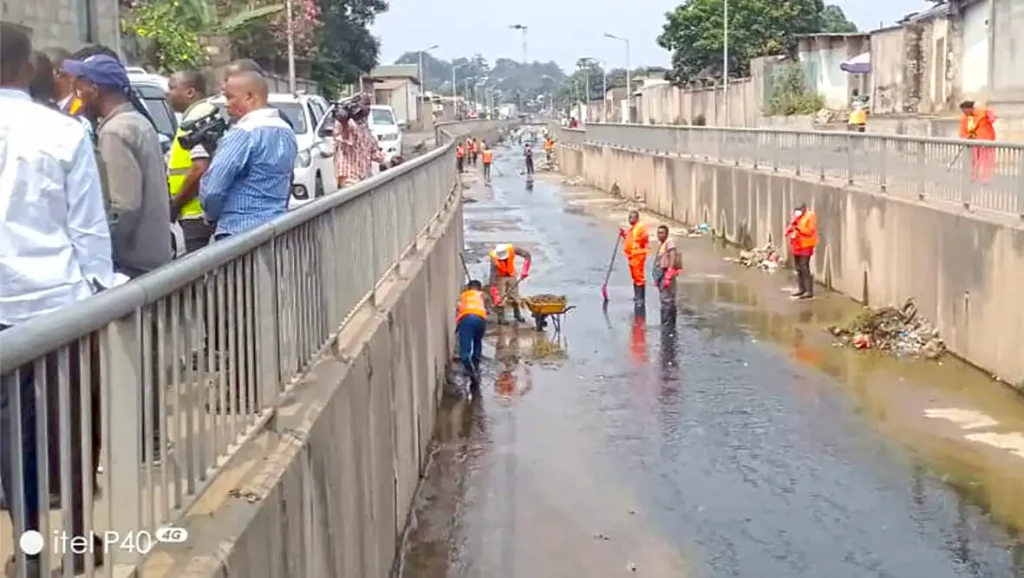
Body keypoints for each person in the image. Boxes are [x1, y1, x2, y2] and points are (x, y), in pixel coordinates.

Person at [1, 22, 114, 576]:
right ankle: (73, 542)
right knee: (72, 435)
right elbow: (89, 232)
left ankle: (27, 552)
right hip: (60, 306)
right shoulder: (64, 133)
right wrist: (97, 299)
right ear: (28, 70)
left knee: (9, 444)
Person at [67, 54, 172, 278]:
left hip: (133, 263)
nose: (78, 96)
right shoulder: (138, 122)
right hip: (154, 255)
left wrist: (102, 252)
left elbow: (124, 206)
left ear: (95, 90)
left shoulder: (115, 131)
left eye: (80, 89)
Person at [200, 70, 297, 239]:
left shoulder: (243, 133)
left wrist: (211, 215)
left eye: (230, 97)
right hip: (277, 228)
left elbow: (213, 189)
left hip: (238, 231)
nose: (226, 104)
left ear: (250, 97)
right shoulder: (286, 130)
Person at [167, 69, 216, 252]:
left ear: (190, 92)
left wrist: (176, 204)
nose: (167, 93)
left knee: (197, 273)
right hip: (196, 211)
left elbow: (199, 168)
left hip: (195, 212)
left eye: (172, 88)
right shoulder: (200, 113)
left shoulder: (197, 118)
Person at [333, 93, 382, 187]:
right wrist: (344, 123)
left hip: (364, 177)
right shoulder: (344, 123)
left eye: (369, 105)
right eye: (365, 104)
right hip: (349, 178)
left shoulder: (364, 125)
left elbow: (374, 152)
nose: (368, 108)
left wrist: (389, 159)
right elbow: (344, 140)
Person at [455, 280, 488, 392]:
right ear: (479, 289)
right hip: (480, 320)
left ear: (468, 288)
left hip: (467, 319)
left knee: (465, 350)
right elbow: (487, 308)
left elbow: (458, 309)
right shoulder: (482, 295)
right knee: (477, 341)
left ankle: (469, 370)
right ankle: (476, 365)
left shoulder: (463, 296)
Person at [488, 243, 532, 324]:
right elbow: (493, 273)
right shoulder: (494, 258)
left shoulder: (511, 249)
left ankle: (517, 314)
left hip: (511, 274)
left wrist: (525, 270)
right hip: (500, 276)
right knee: (500, 297)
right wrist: (493, 289)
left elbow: (527, 255)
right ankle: (501, 317)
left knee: (514, 295)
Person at [958, 100, 997, 183]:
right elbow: (964, 132)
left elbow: (992, 117)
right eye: (962, 111)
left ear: (970, 108)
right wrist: (967, 138)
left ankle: (985, 178)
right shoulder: (967, 118)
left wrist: (991, 116)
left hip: (987, 141)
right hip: (974, 143)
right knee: (974, 160)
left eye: (964, 110)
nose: (964, 113)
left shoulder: (982, 112)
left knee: (986, 160)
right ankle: (974, 176)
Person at [785, 202, 818, 300]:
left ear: (804, 209)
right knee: (798, 268)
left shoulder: (810, 216)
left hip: (806, 245)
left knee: (804, 267)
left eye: (799, 210)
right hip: (796, 245)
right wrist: (789, 230)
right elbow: (791, 227)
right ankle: (801, 289)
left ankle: (809, 291)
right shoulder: (796, 217)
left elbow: (810, 231)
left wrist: (798, 228)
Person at [620, 209, 650, 309]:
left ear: (637, 218)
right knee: (635, 276)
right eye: (629, 217)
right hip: (632, 256)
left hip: (638, 255)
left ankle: (640, 297)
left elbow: (642, 239)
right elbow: (630, 239)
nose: (630, 219)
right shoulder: (633, 228)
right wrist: (624, 234)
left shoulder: (640, 227)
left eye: (632, 217)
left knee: (638, 276)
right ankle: (637, 295)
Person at [653, 224, 682, 326]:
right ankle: (669, 323)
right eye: (658, 233)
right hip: (662, 275)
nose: (659, 235)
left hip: (666, 275)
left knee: (667, 300)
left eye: (661, 233)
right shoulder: (662, 244)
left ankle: (667, 324)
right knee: (667, 299)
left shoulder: (669, 243)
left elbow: (672, 257)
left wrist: (669, 274)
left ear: (666, 234)